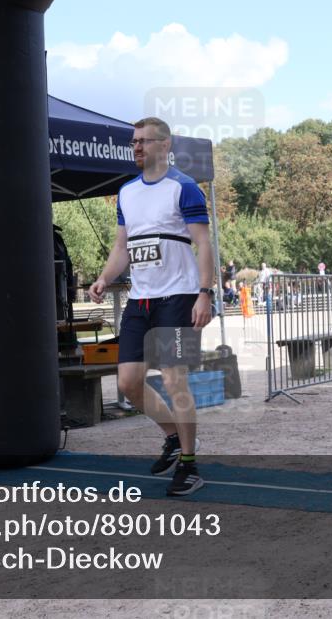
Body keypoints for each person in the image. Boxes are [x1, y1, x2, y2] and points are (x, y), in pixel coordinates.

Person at [88, 116, 213, 497]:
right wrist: (104, 277)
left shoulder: (184, 187)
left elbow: (203, 244)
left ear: (165, 144)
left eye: (144, 140)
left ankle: (190, 465)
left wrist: (204, 293)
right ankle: (174, 437)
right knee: (128, 383)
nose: (137, 147)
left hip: (178, 297)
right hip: (140, 301)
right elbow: (122, 247)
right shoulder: (126, 192)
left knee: (175, 380)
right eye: (134, 141)